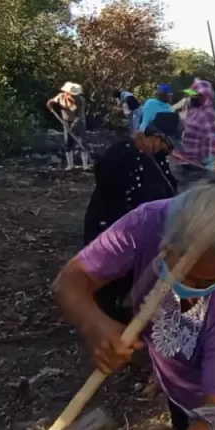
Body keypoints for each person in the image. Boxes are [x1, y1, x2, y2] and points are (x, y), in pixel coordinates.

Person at [55, 170, 215, 430]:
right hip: (184, 385)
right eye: (182, 272)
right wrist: (95, 325)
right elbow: (70, 281)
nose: (189, 287)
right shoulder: (147, 222)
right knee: (187, 427)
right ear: (165, 242)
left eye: (205, 281)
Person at [82, 112, 182, 322]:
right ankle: (106, 317)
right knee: (110, 277)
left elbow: (168, 187)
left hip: (139, 231)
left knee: (132, 276)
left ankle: (123, 307)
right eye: (166, 145)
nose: (167, 151)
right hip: (113, 226)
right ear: (156, 137)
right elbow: (110, 189)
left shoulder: (155, 158)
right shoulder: (122, 154)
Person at [174, 80, 215, 188]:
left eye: (195, 95)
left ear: (205, 96)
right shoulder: (193, 111)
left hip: (196, 165)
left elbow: (211, 138)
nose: (192, 98)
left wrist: (210, 162)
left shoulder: (208, 113)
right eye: (191, 95)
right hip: (183, 161)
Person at [47, 82, 91, 171]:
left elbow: (80, 116)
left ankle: (85, 165)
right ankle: (70, 165)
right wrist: (50, 104)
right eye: (72, 94)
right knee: (68, 143)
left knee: (82, 143)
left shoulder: (81, 100)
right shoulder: (61, 97)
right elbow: (51, 101)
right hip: (66, 122)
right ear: (67, 93)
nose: (74, 96)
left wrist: (72, 127)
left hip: (79, 122)